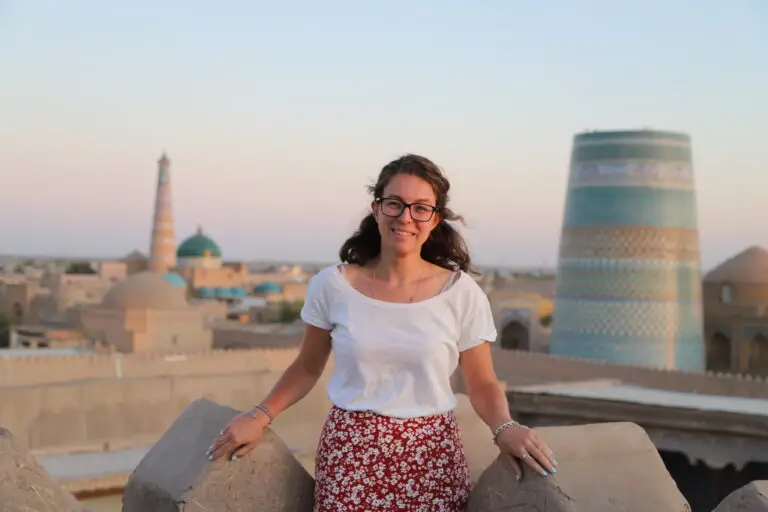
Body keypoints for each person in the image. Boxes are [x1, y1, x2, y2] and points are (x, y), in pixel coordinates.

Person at [207, 154, 557, 511]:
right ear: (376, 209)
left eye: (420, 208)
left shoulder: (460, 292)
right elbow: (307, 367)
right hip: (350, 460)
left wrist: (505, 428)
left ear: (434, 219)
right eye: (394, 204)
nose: (405, 217)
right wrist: (259, 415)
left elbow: (481, 382)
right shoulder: (332, 286)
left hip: (431, 463)